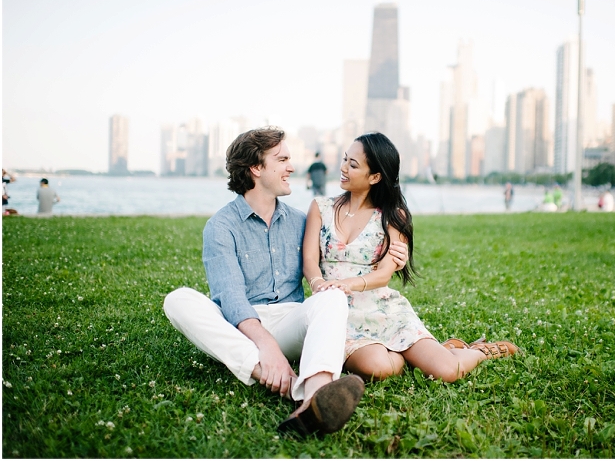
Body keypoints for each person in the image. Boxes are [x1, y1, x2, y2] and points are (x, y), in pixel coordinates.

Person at [163, 127, 409, 438]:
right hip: (242, 326)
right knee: (178, 300)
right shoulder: (220, 227)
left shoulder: (301, 221)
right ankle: (270, 374)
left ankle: (315, 395)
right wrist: (267, 349)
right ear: (256, 168)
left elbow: (340, 257)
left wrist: (393, 256)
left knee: (331, 297)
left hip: (292, 320)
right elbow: (231, 298)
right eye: (282, 159)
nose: (291, 167)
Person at [303, 132, 518, 384]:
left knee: (448, 371)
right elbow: (309, 260)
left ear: (375, 177)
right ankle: (430, 351)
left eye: (353, 165)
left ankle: (478, 352)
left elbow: (384, 275)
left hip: (383, 310)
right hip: (337, 315)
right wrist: (319, 284)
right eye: (344, 160)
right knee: (379, 368)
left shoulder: (393, 216)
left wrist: (345, 284)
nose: (343, 168)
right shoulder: (321, 207)